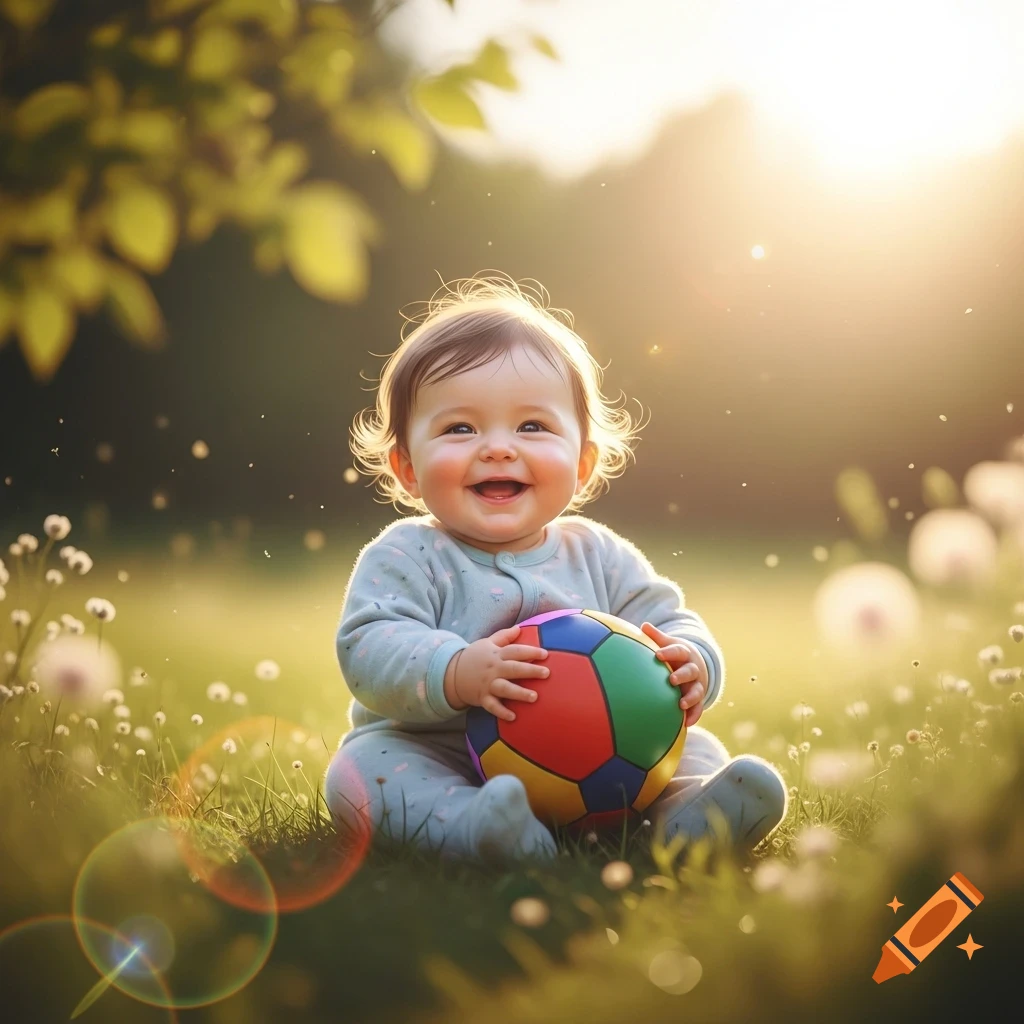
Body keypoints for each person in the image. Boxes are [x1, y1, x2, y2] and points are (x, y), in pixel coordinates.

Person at [325, 274, 786, 863]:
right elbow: (368, 649)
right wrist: (457, 670)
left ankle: (685, 817)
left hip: (606, 757)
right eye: (459, 428)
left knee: (694, 748)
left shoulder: (599, 553)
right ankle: (479, 829)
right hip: (442, 754)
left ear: (584, 461)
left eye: (532, 426)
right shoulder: (405, 555)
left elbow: (668, 619)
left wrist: (694, 662)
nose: (497, 448)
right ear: (408, 467)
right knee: (362, 771)